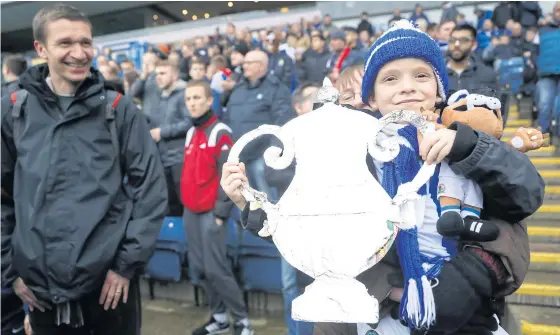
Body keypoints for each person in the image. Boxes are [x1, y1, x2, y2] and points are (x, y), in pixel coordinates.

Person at [221, 20, 543, 335]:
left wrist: (469, 147)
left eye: (421, 75)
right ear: (372, 98)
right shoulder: (352, 154)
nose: (407, 87)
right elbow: (315, 227)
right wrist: (250, 204)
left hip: (466, 319)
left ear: (439, 88)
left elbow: (523, 193)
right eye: (390, 78)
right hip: (374, 315)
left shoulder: (464, 139)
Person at [1, 4, 168, 334]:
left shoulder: (118, 111)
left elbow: (149, 190)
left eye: (85, 42)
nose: (79, 53)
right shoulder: (14, 111)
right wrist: (11, 271)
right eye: (65, 43)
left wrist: (124, 266)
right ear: (41, 49)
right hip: (40, 292)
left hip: (110, 288)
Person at [181, 80, 253, 335]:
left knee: (217, 270)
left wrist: (221, 213)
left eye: (197, 98)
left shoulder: (220, 131)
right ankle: (220, 319)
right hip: (191, 212)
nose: (192, 103)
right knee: (200, 269)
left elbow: (230, 175)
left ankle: (243, 322)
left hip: (212, 213)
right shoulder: (191, 132)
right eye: (189, 99)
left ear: (210, 100)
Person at [150, 59, 190, 217]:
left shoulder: (184, 95)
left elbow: (189, 122)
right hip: (164, 158)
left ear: (174, 75)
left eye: (162, 73)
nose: (158, 77)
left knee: (184, 203)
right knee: (170, 203)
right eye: (157, 74)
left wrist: (162, 132)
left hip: (180, 158)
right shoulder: (162, 96)